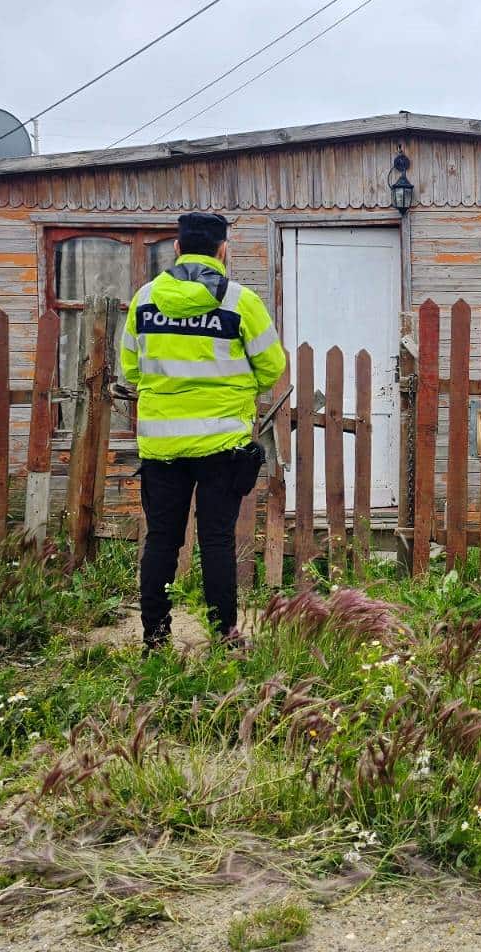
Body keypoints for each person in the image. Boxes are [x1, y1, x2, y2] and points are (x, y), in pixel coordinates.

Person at [120, 212, 286, 650]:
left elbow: (130, 368)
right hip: (221, 444)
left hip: (161, 446)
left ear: (176, 248)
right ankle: (224, 635)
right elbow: (272, 366)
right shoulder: (240, 303)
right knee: (216, 540)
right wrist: (234, 388)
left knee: (161, 540)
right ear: (222, 250)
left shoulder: (144, 300)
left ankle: (155, 638)